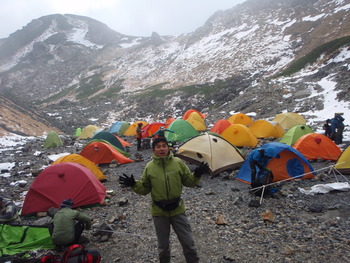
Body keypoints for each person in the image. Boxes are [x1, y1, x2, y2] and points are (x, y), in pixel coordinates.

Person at [119, 137, 208, 263]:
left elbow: (188, 181)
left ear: (168, 147)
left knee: (188, 243)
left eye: (164, 146)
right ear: (153, 150)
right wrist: (134, 184)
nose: (161, 149)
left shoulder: (178, 162)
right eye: (158, 146)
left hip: (177, 210)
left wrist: (196, 175)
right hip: (159, 212)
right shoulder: (150, 167)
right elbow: (145, 189)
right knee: (163, 247)